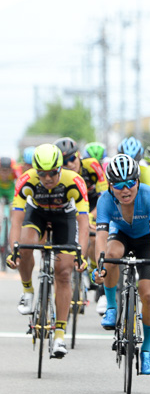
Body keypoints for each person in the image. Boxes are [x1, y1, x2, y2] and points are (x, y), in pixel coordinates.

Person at [6, 144, 89, 358]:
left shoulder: (74, 181)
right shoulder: (26, 180)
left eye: (53, 172)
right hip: (37, 216)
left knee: (63, 272)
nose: (48, 178)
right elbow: (16, 220)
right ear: (35, 171)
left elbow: (83, 221)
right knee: (24, 245)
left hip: (64, 219)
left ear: (60, 169)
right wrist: (13, 250)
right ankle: (28, 291)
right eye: (42, 174)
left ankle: (59, 335)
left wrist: (80, 253)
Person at [94, 154, 150, 375]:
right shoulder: (105, 200)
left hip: (145, 241)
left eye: (130, 183)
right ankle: (111, 306)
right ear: (110, 185)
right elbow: (101, 236)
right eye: (119, 185)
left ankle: (146, 351)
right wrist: (100, 265)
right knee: (111, 254)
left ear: (138, 181)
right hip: (121, 236)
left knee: (147, 294)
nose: (125, 189)